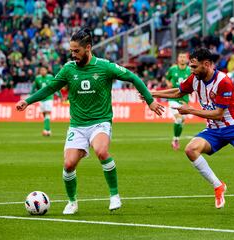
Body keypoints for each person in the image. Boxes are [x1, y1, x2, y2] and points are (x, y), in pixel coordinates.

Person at [16, 28, 164, 215]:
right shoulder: (68, 69)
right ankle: (72, 202)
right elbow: (50, 88)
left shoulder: (104, 67)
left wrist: (150, 101)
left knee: (101, 151)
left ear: (88, 48)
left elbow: (133, 77)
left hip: (100, 121)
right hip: (77, 125)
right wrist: (27, 101)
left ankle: (114, 195)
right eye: (71, 51)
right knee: (69, 165)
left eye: (76, 50)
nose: (73, 54)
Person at [148, 47, 234, 214]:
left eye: (194, 66)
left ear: (206, 64)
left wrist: (191, 110)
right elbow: (179, 92)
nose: (191, 70)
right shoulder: (195, 79)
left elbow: (218, 114)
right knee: (190, 150)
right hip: (213, 130)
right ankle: (218, 186)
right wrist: (151, 93)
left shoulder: (224, 81)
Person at [165, 52, 191, 150]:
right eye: (180, 56)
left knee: (182, 121)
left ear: (187, 59)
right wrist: (168, 84)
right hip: (173, 98)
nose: (182, 59)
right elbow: (167, 78)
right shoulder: (172, 69)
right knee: (179, 118)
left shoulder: (190, 71)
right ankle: (175, 140)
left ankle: (175, 139)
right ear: (178, 58)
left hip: (184, 99)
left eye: (184, 57)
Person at [30, 66, 62, 136]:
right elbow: (34, 87)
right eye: (41, 70)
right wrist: (31, 95)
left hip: (49, 98)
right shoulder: (37, 78)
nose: (42, 71)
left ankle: (45, 130)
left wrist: (60, 95)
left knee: (47, 113)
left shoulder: (50, 77)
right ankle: (49, 130)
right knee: (44, 115)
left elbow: (56, 85)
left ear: (46, 71)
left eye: (44, 70)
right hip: (41, 99)